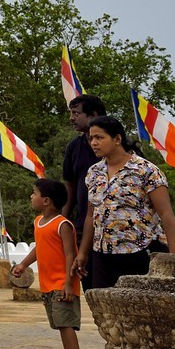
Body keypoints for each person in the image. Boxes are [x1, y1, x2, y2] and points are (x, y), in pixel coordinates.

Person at [73, 114, 175, 292]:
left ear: (117, 139)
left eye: (99, 137)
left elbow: (166, 214)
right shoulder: (94, 172)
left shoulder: (146, 171)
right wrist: (83, 253)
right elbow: (91, 215)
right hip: (102, 254)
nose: (94, 143)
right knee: (104, 311)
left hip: (139, 252)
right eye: (91, 138)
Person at [12, 178, 85, 349]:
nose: (31, 196)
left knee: (66, 325)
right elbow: (38, 248)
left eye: (34, 193)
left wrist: (68, 283)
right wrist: (23, 264)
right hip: (48, 284)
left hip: (62, 284)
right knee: (60, 325)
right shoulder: (38, 222)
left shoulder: (63, 225)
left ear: (46, 200)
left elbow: (70, 254)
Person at [63, 93, 105, 245]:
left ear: (93, 115)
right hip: (83, 226)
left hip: (116, 229)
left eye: (76, 113)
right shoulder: (74, 148)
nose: (71, 118)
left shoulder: (124, 148)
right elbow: (70, 186)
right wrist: (62, 219)